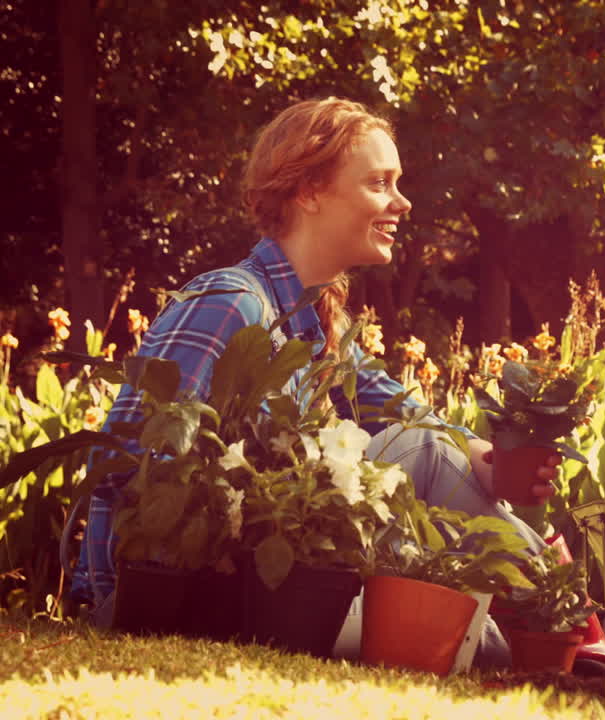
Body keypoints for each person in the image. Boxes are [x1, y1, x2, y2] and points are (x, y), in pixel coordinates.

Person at [69, 97, 562, 665]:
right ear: (308, 193)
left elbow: (404, 412)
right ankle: (566, 609)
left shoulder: (316, 321)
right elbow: (126, 468)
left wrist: (484, 455)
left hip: (273, 592)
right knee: (422, 458)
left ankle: (566, 629)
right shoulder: (233, 304)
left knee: (486, 647)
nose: (402, 202)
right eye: (380, 183)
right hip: (187, 598)